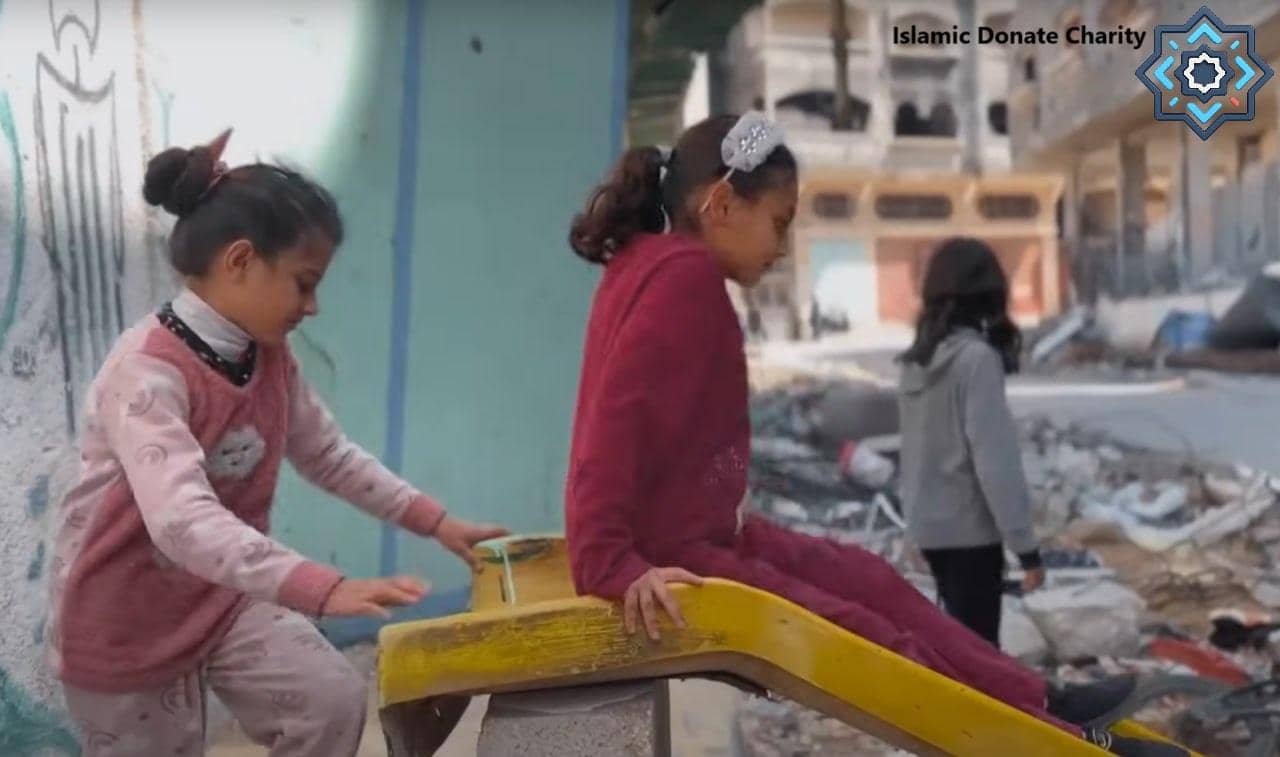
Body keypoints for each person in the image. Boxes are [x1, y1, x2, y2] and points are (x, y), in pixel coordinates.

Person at [562, 113, 1176, 757]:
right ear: (721, 203)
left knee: (869, 578)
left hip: (714, 537)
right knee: (866, 633)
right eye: (779, 222)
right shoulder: (680, 279)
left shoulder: (654, 265)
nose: (782, 246)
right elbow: (612, 420)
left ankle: (1035, 697)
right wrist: (610, 560)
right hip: (684, 556)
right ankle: (1069, 743)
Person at [46, 129, 507, 757]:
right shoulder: (147, 372)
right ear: (240, 261)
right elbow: (181, 521)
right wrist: (321, 586)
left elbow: (329, 455)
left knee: (331, 702)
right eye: (304, 282)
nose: (312, 307)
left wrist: (437, 522)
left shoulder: (270, 358)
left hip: (220, 601)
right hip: (125, 626)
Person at [898, 237, 1044, 648]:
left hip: (931, 534)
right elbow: (994, 464)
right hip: (972, 539)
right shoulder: (976, 360)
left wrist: (914, 530)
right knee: (980, 662)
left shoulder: (915, 362)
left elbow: (913, 457)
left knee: (955, 657)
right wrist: (1025, 547)